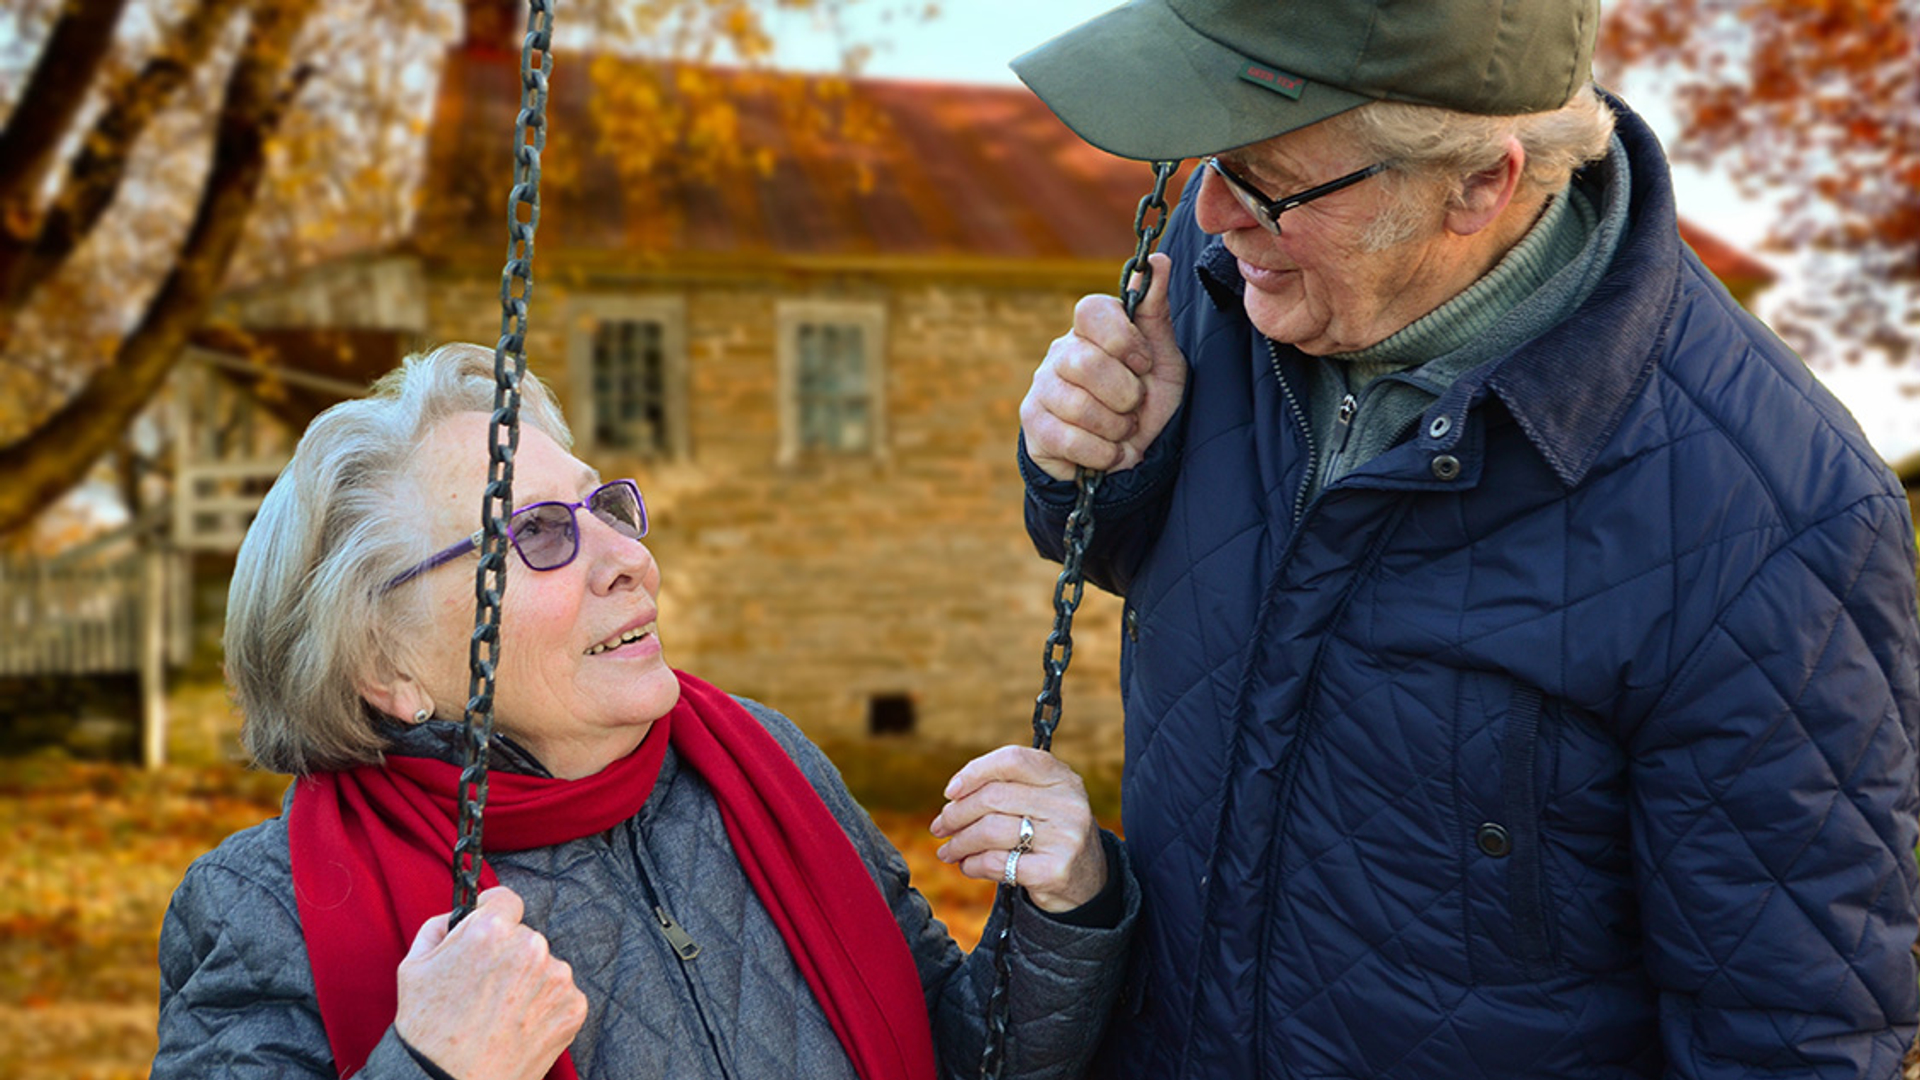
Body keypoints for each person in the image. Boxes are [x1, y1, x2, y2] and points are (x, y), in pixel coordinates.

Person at [1009, 1, 1920, 1077]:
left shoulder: (1771, 516)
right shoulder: (1235, 277)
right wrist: (1099, 464)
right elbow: (1133, 559)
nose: (1213, 212)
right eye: (1208, 157)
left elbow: (1791, 1036)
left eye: (1265, 178)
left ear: (1481, 184)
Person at [153, 343, 1136, 1080]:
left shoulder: (763, 767)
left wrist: (1063, 908)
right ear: (386, 664)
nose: (627, 557)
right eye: (535, 534)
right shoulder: (265, 905)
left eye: (605, 509)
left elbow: (959, 1057)